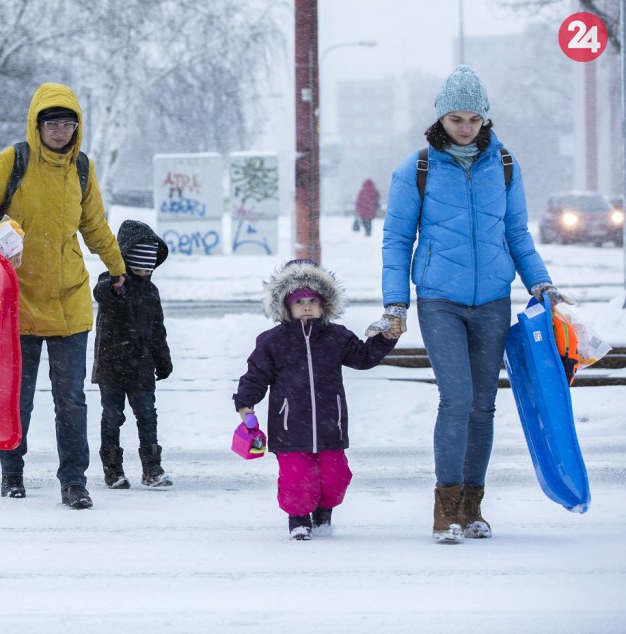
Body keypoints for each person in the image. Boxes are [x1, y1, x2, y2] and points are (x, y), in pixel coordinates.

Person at [374, 65, 573, 543]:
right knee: (457, 398)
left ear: (485, 118)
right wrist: (396, 303)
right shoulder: (417, 168)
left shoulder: (503, 164)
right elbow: (397, 239)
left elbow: (516, 233)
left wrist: (540, 284)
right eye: (455, 118)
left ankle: (472, 505)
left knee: (483, 405)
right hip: (439, 299)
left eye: (473, 118)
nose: (464, 126)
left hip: (492, 301)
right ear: (441, 118)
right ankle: (445, 507)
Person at [0, 83, 126, 510]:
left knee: (71, 400)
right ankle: (12, 474)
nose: (60, 130)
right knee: (16, 397)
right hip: (15, 301)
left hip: (69, 300)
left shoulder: (81, 168)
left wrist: (119, 267)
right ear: (37, 124)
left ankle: (74, 482)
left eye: (68, 123)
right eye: (52, 122)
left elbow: (95, 225)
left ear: (77, 128)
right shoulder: (12, 161)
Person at [233, 260, 400, 540]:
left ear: (324, 304)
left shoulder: (336, 337)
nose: (307, 306)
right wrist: (245, 404)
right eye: (299, 301)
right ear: (287, 306)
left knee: (335, 477)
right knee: (297, 478)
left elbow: (363, 358)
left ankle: (323, 512)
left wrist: (384, 339)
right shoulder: (273, 341)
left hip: (329, 424)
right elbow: (256, 374)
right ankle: (298, 519)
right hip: (289, 428)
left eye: (312, 300)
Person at [91, 219, 173, 490]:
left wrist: (163, 360)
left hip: (142, 366)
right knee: (112, 417)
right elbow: (100, 293)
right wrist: (115, 283)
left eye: (147, 266)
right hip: (111, 365)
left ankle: (152, 468)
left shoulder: (152, 291)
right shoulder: (112, 283)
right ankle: (112, 470)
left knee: (147, 415)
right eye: (137, 264)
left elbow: (157, 329)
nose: (143, 271)